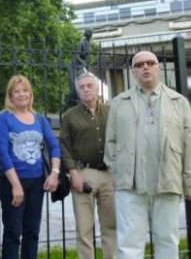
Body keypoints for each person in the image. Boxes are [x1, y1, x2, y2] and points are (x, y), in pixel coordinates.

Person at [104, 51, 191, 259]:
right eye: (140, 65)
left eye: (150, 63)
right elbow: (111, 143)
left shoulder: (179, 102)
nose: (145, 67)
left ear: (159, 68)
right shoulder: (118, 103)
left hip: (168, 180)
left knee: (167, 239)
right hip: (129, 185)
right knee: (129, 243)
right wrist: (118, 172)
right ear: (133, 72)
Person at [0, 74, 61, 259]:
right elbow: (2, 153)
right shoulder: (4, 118)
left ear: (31, 94)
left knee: (32, 232)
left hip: (37, 182)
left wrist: (54, 173)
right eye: (17, 91)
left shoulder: (39, 118)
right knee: (13, 233)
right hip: (13, 181)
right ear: (10, 95)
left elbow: (54, 145)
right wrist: (16, 185)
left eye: (25, 90)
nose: (22, 94)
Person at [60, 73, 117, 259]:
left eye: (89, 85)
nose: (86, 89)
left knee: (111, 225)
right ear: (77, 90)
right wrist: (73, 173)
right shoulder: (69, 116)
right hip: (84, 174)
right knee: (85, 227)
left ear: (97, 88)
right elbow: (65, 147)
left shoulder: (111, 112)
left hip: (109, 174)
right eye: (82, 86)